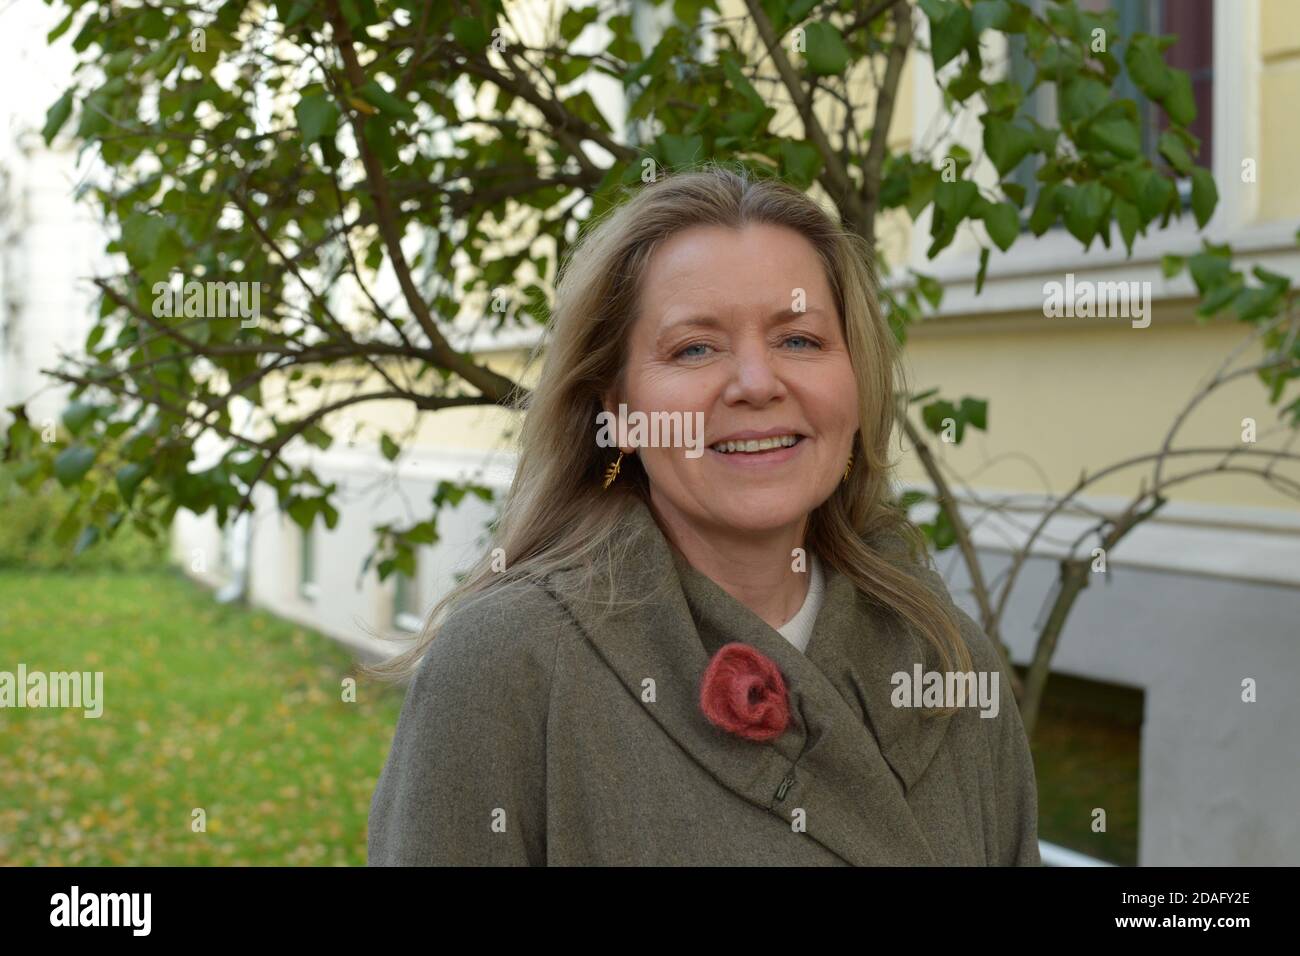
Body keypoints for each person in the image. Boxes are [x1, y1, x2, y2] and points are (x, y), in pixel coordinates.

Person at [365, 165, 1041, 866]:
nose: (756, 383)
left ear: (856, 379)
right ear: (617, 412)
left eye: (799, 340)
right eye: (695, 348)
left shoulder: (948, 656)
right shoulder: (505, 668)